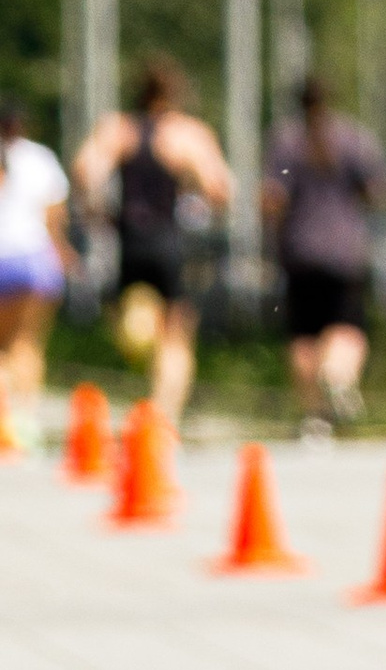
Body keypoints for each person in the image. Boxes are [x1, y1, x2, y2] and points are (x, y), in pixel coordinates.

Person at [72, 58, 230, 430]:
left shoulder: (118, 129)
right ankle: (164, 414)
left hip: (129, 242)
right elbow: (220, 188)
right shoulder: (186, 133)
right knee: (177, 336)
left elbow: (83, 171)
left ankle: (142, 351)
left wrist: (95, 210)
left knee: (131, 323)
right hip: (169, 241)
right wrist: (196, 192)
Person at [262, 73, 386, 435]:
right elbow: (378, 190)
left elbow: (272, 197)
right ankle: (337, 377)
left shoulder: (286, 142)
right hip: (344, 251)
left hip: (299, 251)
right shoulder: (353, 138)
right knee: (346, 327)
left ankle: (315, 417)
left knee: (303, 336)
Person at [0, 99, 71, 447]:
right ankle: (23, 421)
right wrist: (63, 253)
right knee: (26, 344)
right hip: (30, 259)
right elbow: (54, 215)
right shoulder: (40, 157)